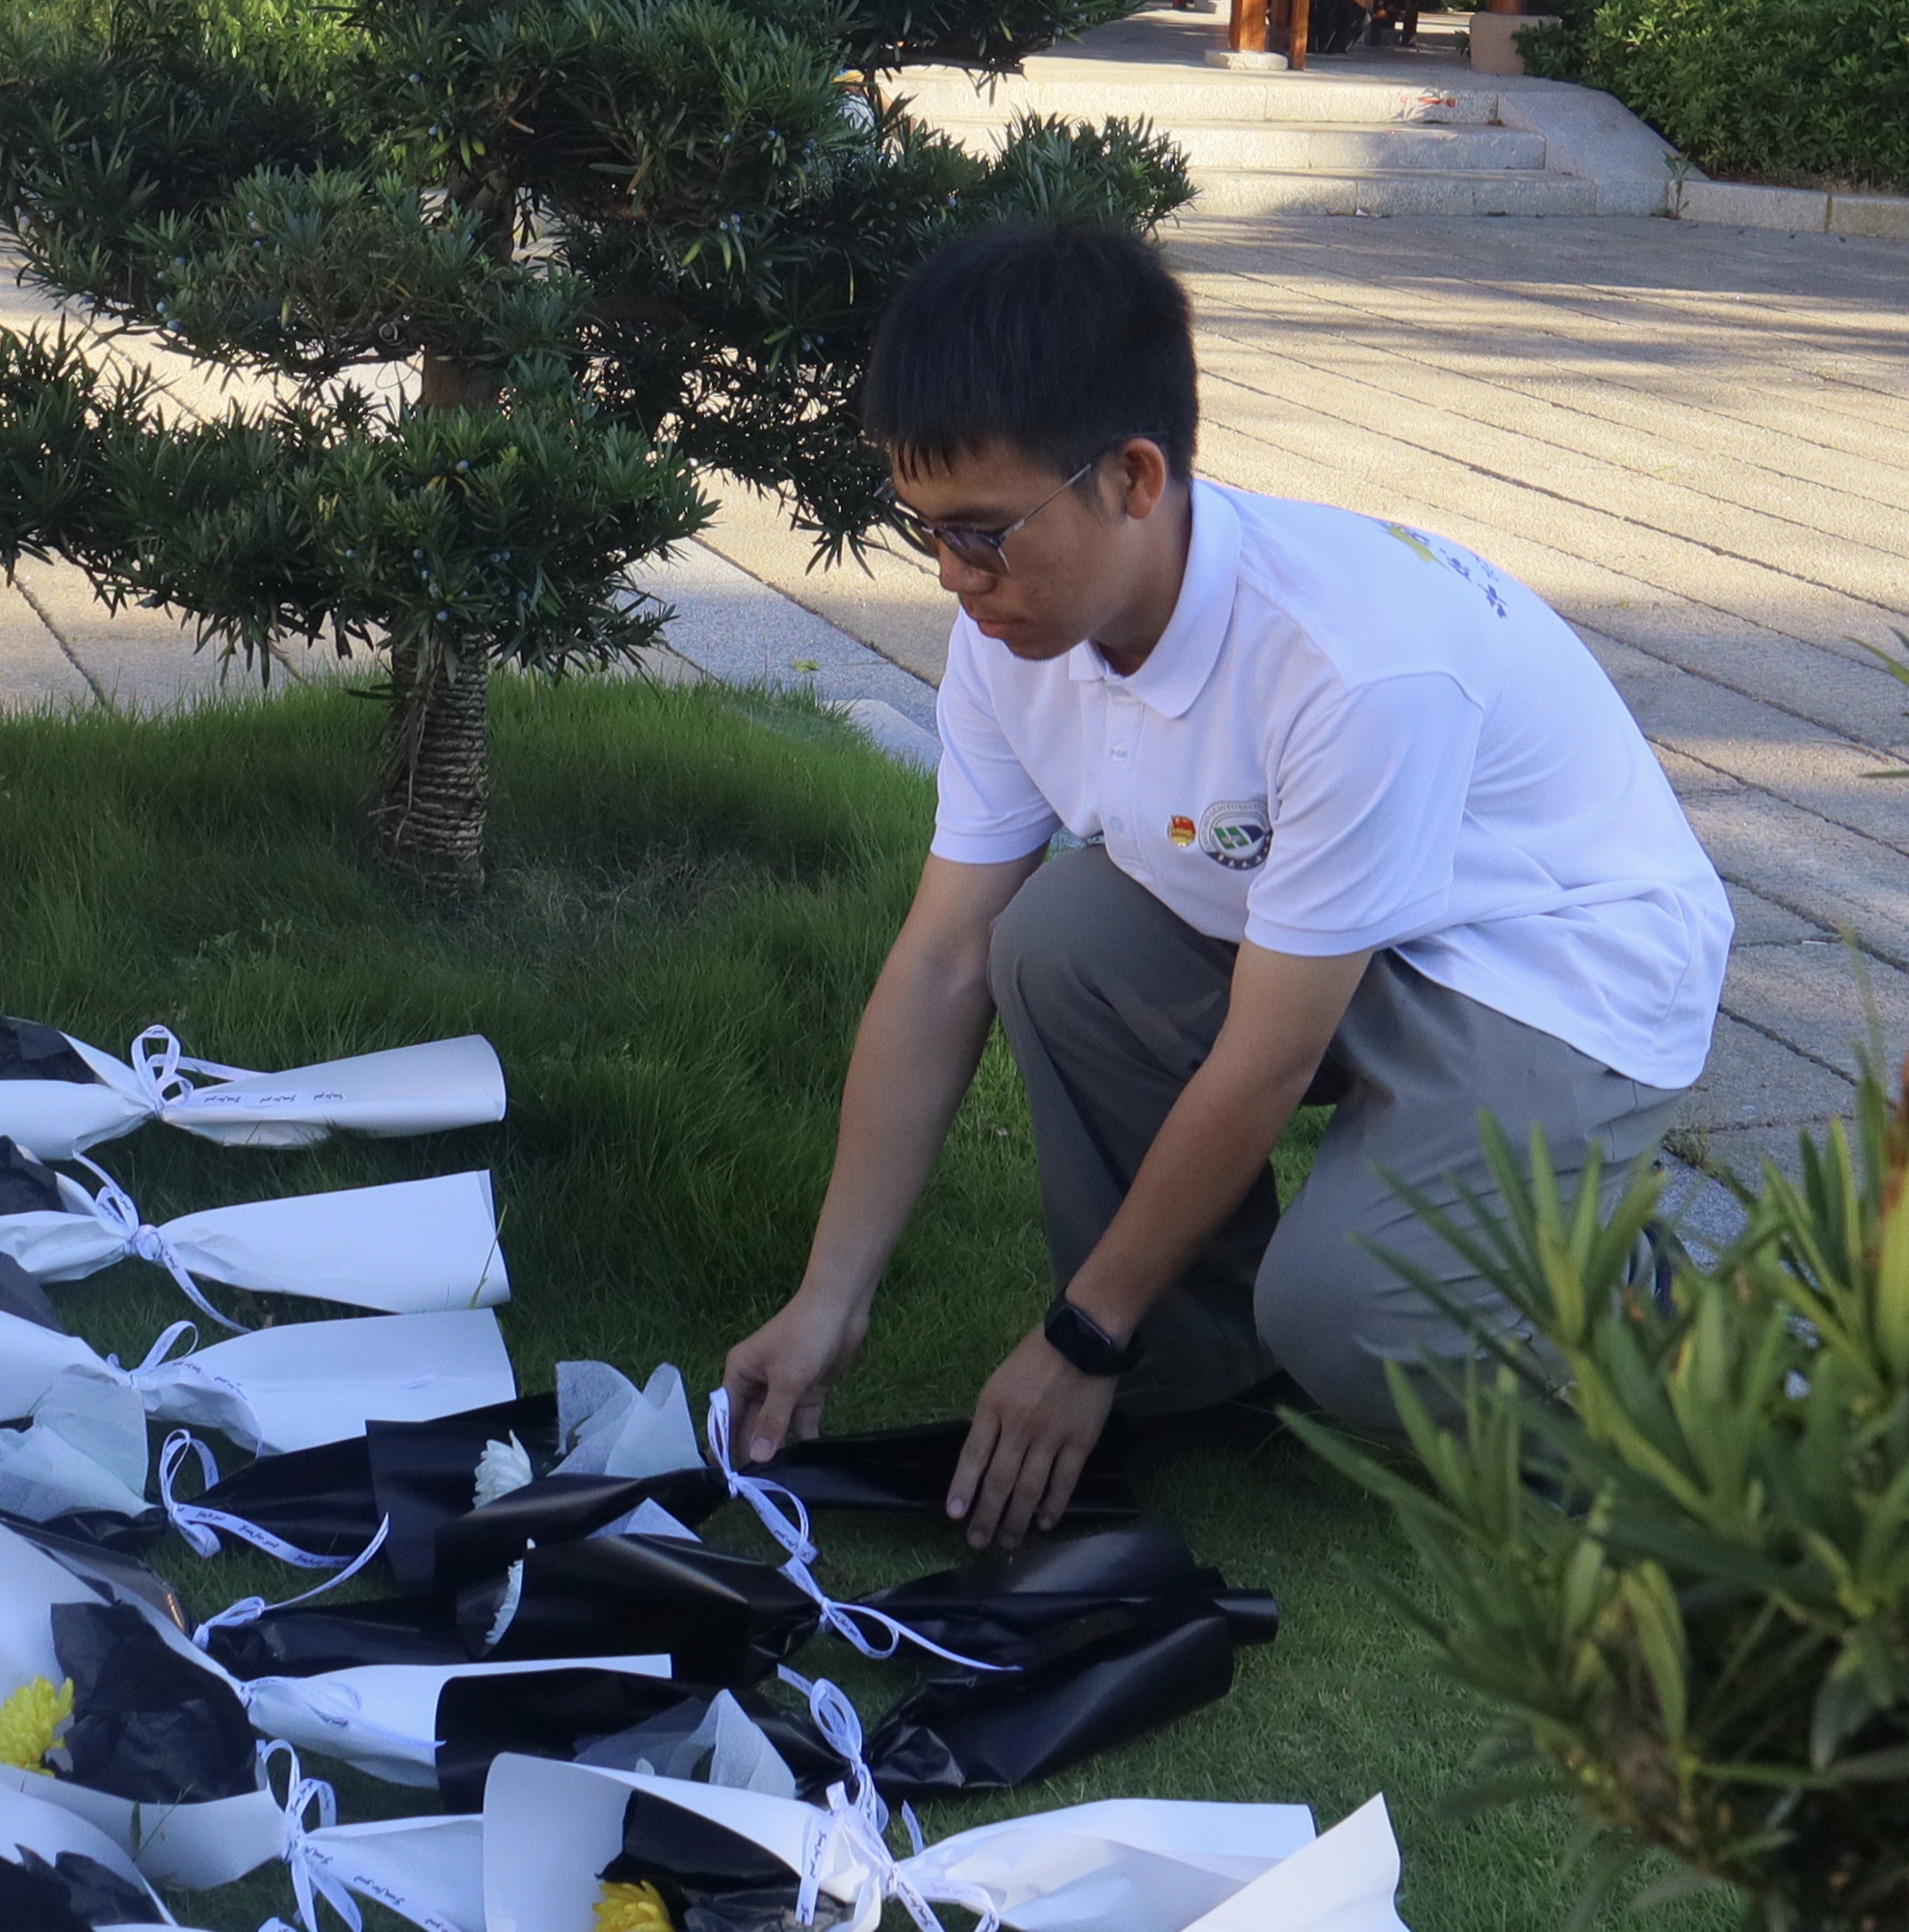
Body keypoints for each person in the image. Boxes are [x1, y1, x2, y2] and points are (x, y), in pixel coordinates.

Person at [718, 225, 1725, 1549]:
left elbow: (1263, 1057)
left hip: (1551, 964)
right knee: (1055, 937)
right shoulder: (1011, 636)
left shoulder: (1347, 665)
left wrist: (1081, 1330)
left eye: (982, 534)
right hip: (1347, 930)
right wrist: (829, 1294)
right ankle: (1204, 1371)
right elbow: (942, 957)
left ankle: (1681, 1360)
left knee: (1353, 1315)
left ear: (1133, 477)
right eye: (929, 533)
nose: (955, 581)